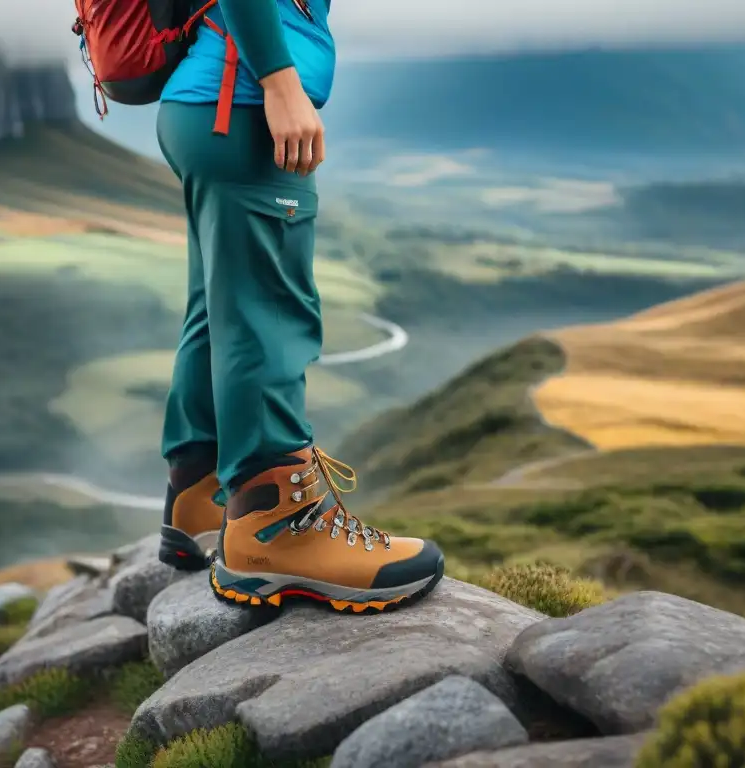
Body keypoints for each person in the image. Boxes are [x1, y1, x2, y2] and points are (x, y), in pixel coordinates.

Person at [155, 0, 444, 613]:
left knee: (219, 307)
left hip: (207, 104)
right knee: (269, 316)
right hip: (246, 103)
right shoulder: (265, 87)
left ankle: (201, 492)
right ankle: (279, 531)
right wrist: (280, 81)